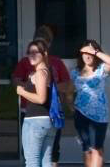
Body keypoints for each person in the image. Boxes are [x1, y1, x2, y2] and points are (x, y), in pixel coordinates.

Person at [71, 40, 110, 167]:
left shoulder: (101, 69)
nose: (88, 55)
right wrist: (70, 105)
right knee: (86, 149)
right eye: (85, 52)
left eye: (90, 52)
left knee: (97, 148)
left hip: (99, 115)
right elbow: (69, 90)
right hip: (80, 113)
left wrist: (95, 51)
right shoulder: (75, 72)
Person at [35, 24, 76, 162]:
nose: (41, 47)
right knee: (32, 151)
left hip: (53, 111)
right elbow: (16, 82)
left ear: (50, 44)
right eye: (38, 42)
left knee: (52, 150)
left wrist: (48, 87)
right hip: (31, 113)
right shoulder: (26, 62)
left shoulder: (57, 63)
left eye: (45, 43)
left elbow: (69, 85)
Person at [15, 37, 57, 167]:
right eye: (29, 52)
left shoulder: (40, 73)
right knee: (46, 161)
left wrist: (22, 92)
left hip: (35, 122)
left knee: (32, 162)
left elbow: (41, 98)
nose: (31, 55)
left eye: (35, 52)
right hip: (47, 122)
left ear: (44, 54)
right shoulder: (47, 71)